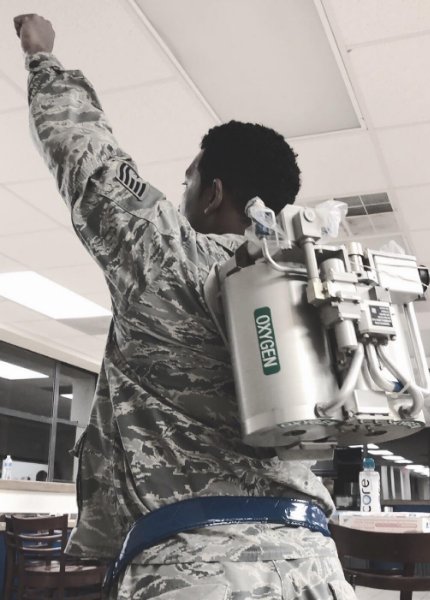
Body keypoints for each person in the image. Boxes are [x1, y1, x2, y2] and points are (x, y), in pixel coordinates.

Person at [14, 13, 357, 600]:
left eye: (189, 180)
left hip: (198, 568)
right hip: (316, 566)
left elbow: (86, 156)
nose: (184, 194)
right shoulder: (316, 288)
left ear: (214, 192)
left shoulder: (172, 256)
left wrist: (41, 56)